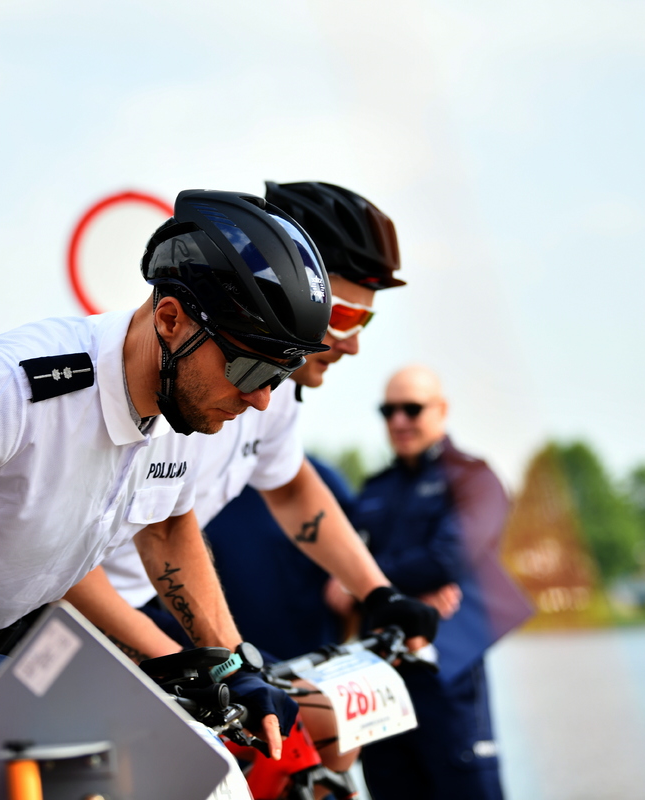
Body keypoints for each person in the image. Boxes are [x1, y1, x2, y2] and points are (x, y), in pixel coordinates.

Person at [0, 189, 330, 798]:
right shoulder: (20, 384)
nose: (262, 399)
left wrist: (231, 660)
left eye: (279, 375)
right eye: (249, 369)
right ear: (170, 320)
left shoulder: (188, 408)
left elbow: (168, 526)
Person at [70, 181, 441, 774]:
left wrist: (378, 593)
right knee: (297, 739)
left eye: (364, 322)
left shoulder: (273, 393)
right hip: (80, 613)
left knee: (330, 744)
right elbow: (66, 561)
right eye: (344, 317)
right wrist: (191, 660)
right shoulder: (188, 385)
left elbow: (291, 487)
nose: (351, 345)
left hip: (150, 602)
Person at [341, 365, 532, 800]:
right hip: (379, 679)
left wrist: (361, 581)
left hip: (447, 675)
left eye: (411, 409)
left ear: (442, 410)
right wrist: (389, 585)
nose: (398, 420)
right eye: (388, 411)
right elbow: (336, 574)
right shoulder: (374, 489)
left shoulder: (474, 479)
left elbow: (447, 558)